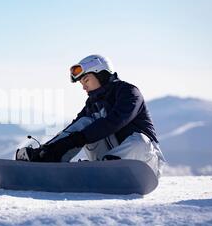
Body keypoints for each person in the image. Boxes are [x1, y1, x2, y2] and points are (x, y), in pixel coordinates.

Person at [15, 54, 166, 177]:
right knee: (83, 123)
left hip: (145, 164)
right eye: (81, 83)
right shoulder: (92, 103)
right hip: (106, 165)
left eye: (86, 80)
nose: (84, 87)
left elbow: (116, 120)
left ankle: (107, 167)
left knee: (139, 141)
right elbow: (74, 128)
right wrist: (56, 146)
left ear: (101, 75)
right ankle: (45, 158)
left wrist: (80, 138)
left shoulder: (128, 92)